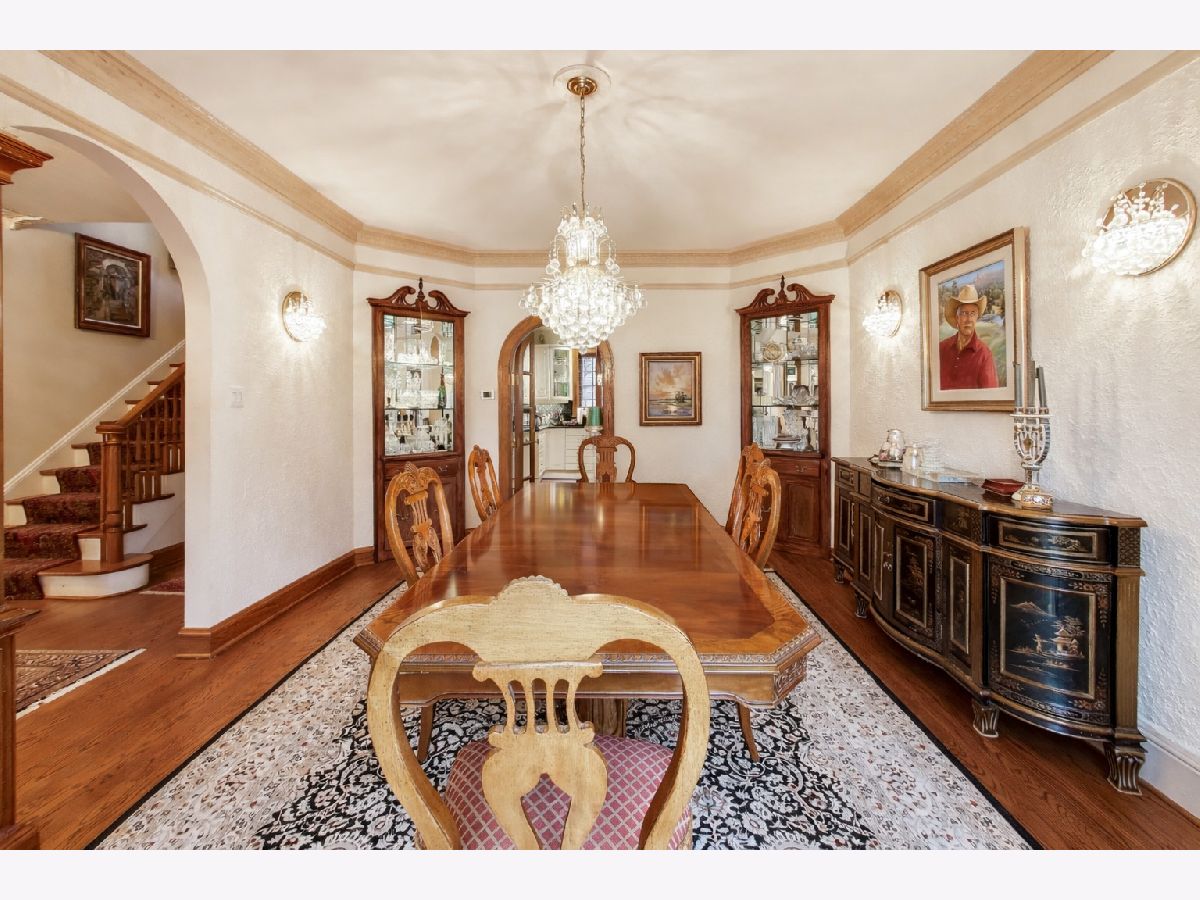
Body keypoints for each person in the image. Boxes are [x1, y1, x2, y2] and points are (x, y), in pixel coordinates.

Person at [939, 284, 998, 390]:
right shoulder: (941, 348)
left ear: (977, 317)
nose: (969, 319)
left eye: (973, 313)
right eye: (964, 313)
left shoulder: (984, 355)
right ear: (957, 317)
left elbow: (991, 396)